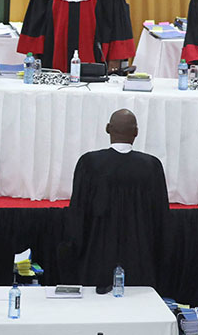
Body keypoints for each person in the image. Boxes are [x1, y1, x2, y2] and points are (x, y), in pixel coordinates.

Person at [67, 109, 168, 288]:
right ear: (136, 132)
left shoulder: (89, 163)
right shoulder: (151, 166)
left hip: (97, 259)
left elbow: (78, 214)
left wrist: (75, 253)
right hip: (140, 260)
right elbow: (161, 220)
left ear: (107, 129)